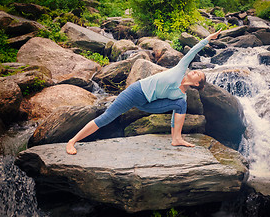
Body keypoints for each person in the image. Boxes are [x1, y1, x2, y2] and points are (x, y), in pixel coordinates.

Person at [66, 29, 222, 155]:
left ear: (196, 83)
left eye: (198, 75)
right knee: (106, 117)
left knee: (181, 104)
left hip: (148, 104)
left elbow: (176, 113)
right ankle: (72, 141)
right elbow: (193, 51)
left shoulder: (181, 95)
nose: (194, 72)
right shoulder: (180, 70)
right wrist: (209, 38)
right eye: (196, 72)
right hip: (136, 92)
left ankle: (176, 138)